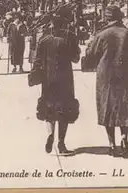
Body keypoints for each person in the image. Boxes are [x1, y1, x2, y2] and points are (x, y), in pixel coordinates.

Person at [85, 5, 128, 158]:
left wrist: (89, 47)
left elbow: (91, 55)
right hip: (126, 75)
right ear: (120, 17)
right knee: (125, 107)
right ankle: (124, 137)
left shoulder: (102, 34)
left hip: (106, 76)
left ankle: (112, 145)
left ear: (107, 18)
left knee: (108, 108)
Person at [32, 13, 80, 154]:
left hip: (48, 80)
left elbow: (37, 61)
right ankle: (61, 143)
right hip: (65, 80)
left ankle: (50, 134)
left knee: (49, 109)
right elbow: (75, 58)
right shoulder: (68, 39)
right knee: (64, 111)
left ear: (52, 26)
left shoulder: (44, 40)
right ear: (63, 26)